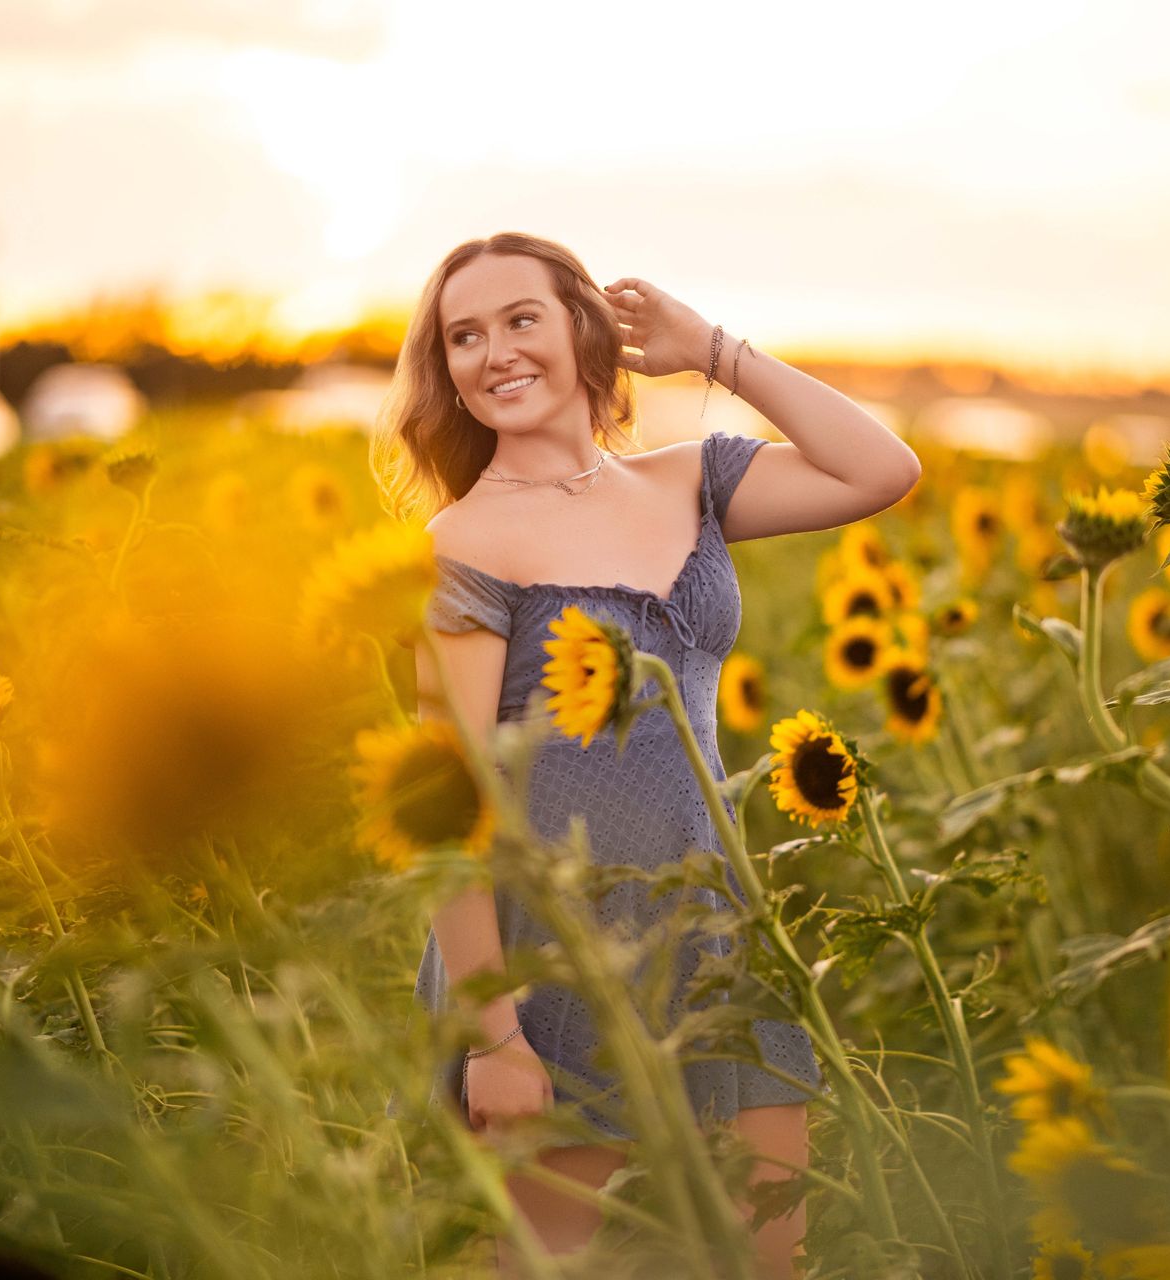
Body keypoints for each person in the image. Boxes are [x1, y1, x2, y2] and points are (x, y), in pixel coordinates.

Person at [378, 232, 921, 1276]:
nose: (495, 352)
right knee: (555, 1264)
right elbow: (448, 812)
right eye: (464, 335)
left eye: (521, 318)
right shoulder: (461, 547)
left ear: (586, 328)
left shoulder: (690, 483)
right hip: (552, 955)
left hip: (712, 925)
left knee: (768, 1254)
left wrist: (712, 349)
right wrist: (495, 1034)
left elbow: (881, 468)